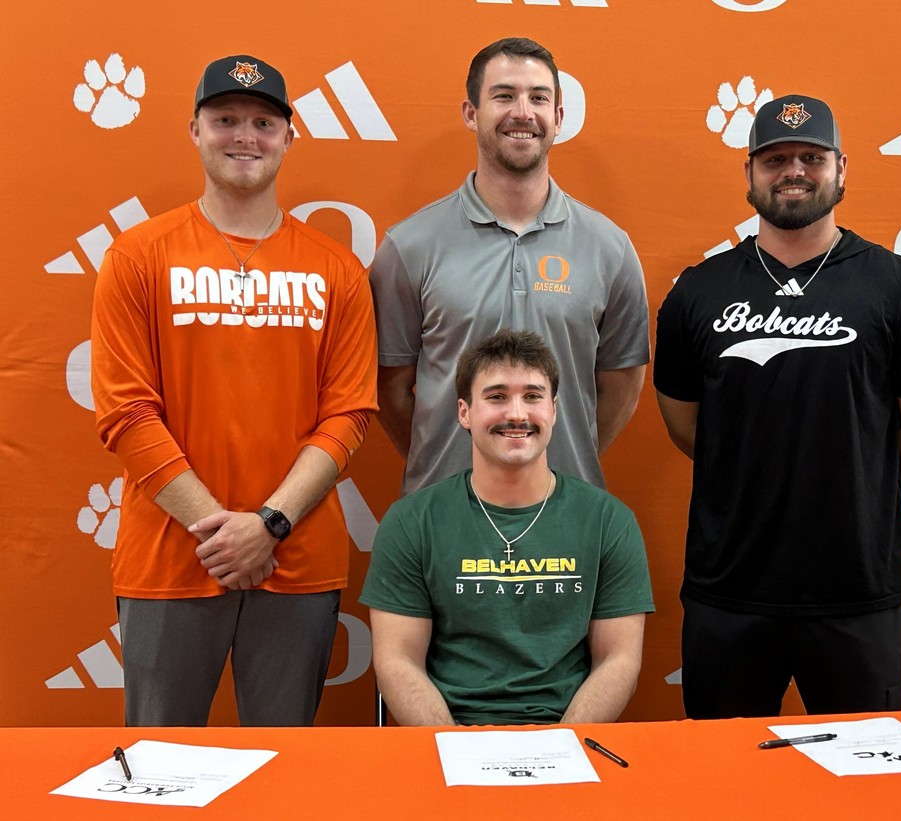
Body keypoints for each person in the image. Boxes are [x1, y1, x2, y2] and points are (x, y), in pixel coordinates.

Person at [654, 94, 901, 719]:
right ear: (749, 174)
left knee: (870, 788)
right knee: (724, 788)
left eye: (810, 157)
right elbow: (688, 426)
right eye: (774, 159)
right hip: (730, 591)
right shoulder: (698, 291)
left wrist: (856, 478)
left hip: (857, 592)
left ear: (841, 168)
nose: (793, 170)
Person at [91, 54, 377, 726]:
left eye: (261, 122)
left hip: (296, 555)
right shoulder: (137, 256)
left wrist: (268, 524)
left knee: (284, 768)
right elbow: (126, 413)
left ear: (288, 137)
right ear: (195, 129)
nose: (244, 136)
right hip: (171, 556)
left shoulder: (336, 269)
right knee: (160, 768)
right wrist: (218, 529)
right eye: (225, 120)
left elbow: (348, 414)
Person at [370, 37, 649, 495]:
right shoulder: (410, 246)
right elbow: (390, 389)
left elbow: (621, 385)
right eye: (503, 95)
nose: (523, 112)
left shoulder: (609, 248)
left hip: (566, 511)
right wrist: (446, 458)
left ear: (558, 118)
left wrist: (553, 460)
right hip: (443, 511)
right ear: (470, 113)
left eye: (539, 98)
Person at [360, 329, 653, 725]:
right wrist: (454, 746)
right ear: (464, 412)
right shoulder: (412, 521)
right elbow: (398, 662)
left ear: (553, 409)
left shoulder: (608, 521)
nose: (517, 414)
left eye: (532, 396)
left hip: (567, 736)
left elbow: (618, 662)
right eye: (496, 396)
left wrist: (560, 746)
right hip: (446, 734)